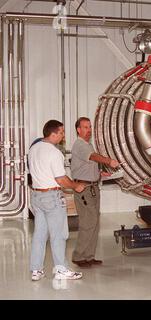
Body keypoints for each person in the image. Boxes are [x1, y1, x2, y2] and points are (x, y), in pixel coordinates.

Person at [28, 120, 85, 281]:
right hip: (51, 197)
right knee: (58, 234)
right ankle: (61, 269)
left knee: (39, 235)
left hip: (37, 196)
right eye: (61, 132)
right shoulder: (54, 153)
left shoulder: (34, 148)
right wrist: (75, 186)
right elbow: (61, 179)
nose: (63, 135)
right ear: (53, 134)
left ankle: (36, 270)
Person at [71, 117, 119, 268]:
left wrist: (100, 174)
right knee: (88, 223)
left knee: (95, 223)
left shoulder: (87, 144)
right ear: (78, 130)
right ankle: (78, 256)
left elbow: (89, 165)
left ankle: (89, 256)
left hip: (93, 187)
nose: (89, 130)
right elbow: (93, 157)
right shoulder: (80, 145)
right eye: (85, 127)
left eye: (90, 127)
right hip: (84, 189)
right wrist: (108, 161)